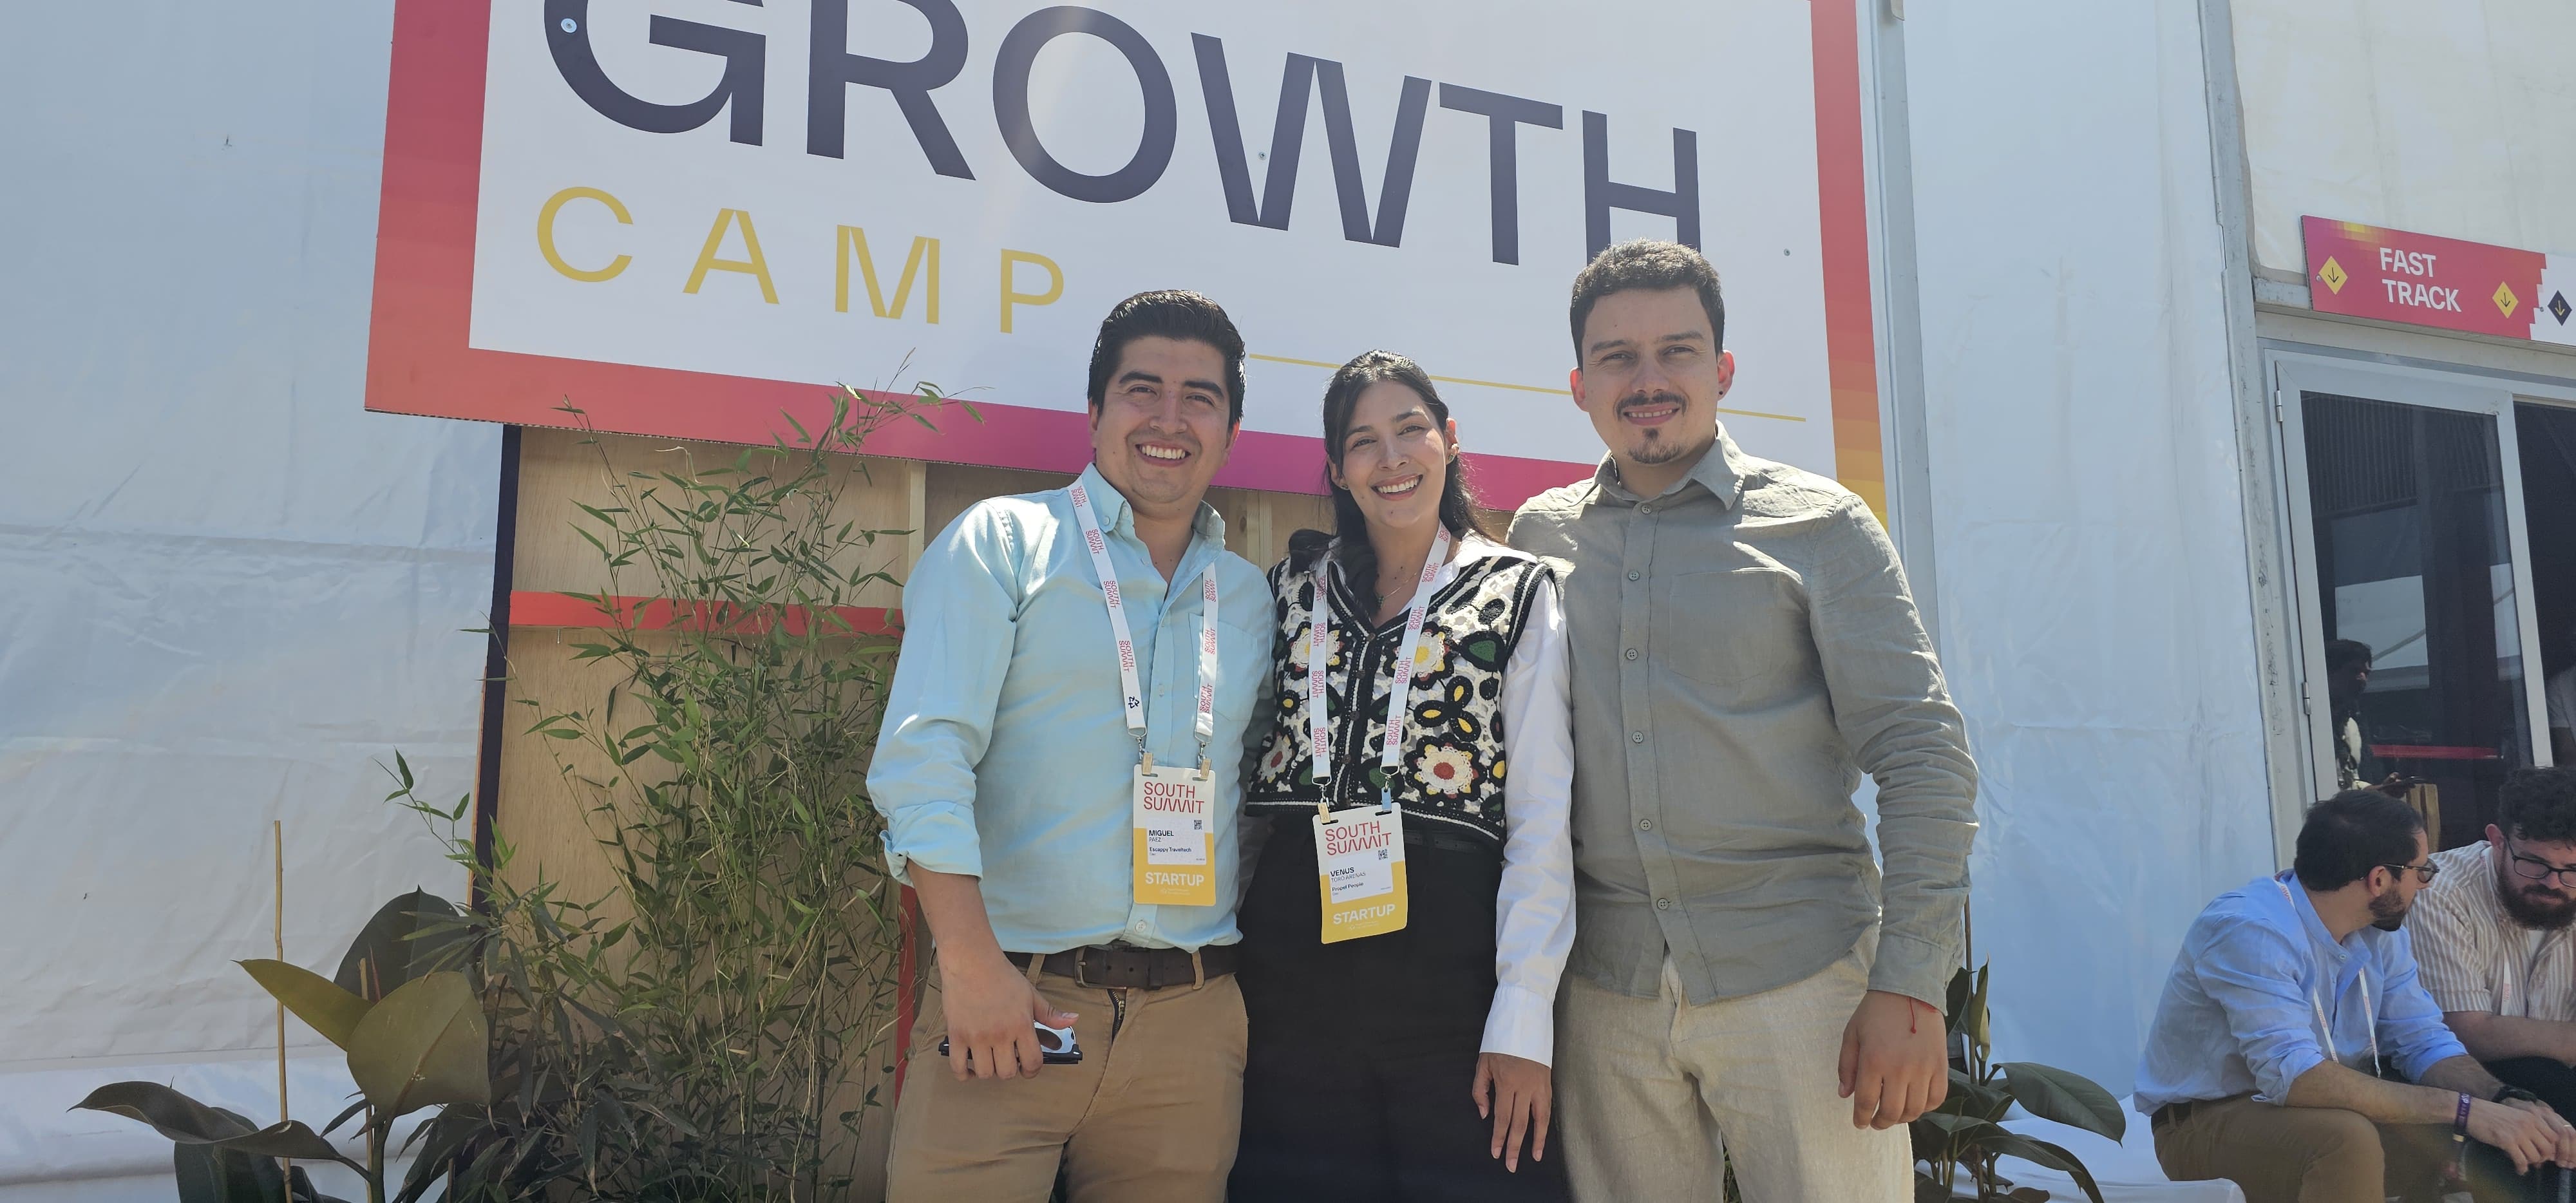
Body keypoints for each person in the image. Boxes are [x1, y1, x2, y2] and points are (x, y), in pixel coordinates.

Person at [1507, 239, 1979, 1200]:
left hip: (1804, 981)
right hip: (1606, 995)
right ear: (1579, 385)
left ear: (1722, 370)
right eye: (1617, 357)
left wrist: (1910, 982)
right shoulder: (1538, 539)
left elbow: (1923, 754)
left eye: (1676, 351)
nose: (1648, 380)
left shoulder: (1822, 527)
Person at [867, 290, 1274, 1202]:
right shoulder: (1004, 543)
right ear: (1093, 412)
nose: (1169, 419)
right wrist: (970, 966)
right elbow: (923, 759)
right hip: (1011, 1002)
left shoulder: (1249, 597)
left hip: (1191, 1032)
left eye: (1200, 398)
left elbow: (1253, 798)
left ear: (1231, 431)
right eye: (1142, 389)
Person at [1229, 351, 1575, 1202]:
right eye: (1363, 441)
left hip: (1452, 976)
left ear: (1449, 439)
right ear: (1337, 469)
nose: (1391, 458)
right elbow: (1241, 787)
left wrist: (1522, 1018)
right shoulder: (1290, 589)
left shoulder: (1517, 591)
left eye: (1410, 429)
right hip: (1290, 970)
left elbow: (1541, 816)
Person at [2137, 790, 2576, 1203]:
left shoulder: (2380, 932)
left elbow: (2423, 1041)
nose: (2426, 885)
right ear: (2380, 879)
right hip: (2204, 1121)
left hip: (2309, 1109)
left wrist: (2504, 1100)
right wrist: (2464, 1110)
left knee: (2487, 1125)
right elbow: (2295, 1077)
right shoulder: (2250, 929)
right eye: (2421, 871)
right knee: (2346, 1139)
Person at [2414, 767, 2576, 1121]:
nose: (2554, 883)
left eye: (2572, 869)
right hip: (2472, 1079)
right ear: (2497, 840)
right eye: (2534, 863)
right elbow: (2466, 1033)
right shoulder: (2439, 891)